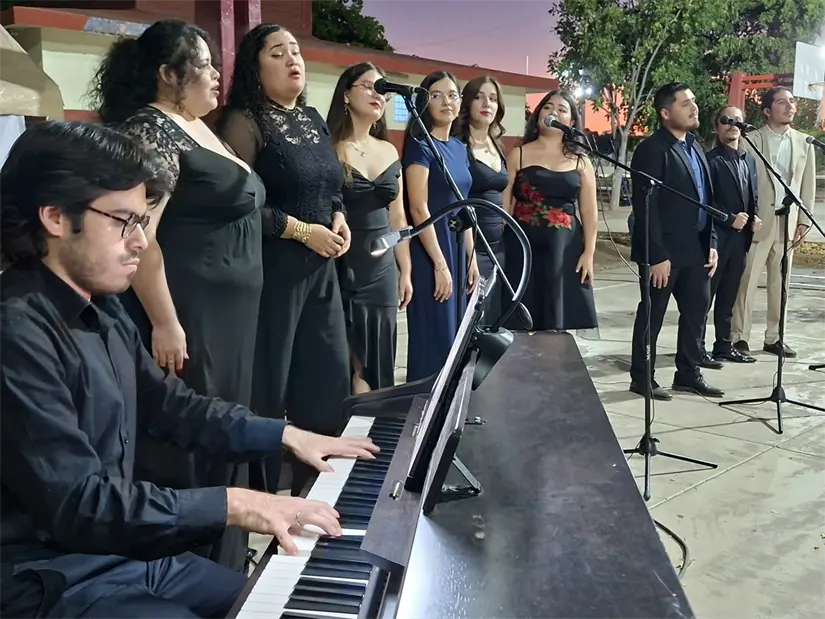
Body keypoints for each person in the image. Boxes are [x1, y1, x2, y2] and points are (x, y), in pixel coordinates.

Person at [0, 120, 378, 619]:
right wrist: (237, 504)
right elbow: (80, 504)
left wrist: (285, 435)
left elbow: (171, 407)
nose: (140, 242)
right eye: (122, 221)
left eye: (141, 221)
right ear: (54, 216)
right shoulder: (16, 330)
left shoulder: (101, 306)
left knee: (274, 608)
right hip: (45, 579)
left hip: (120, 557)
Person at [89, 19, 267, 573]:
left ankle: (230, 563)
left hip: (230, 314)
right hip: (189, 310)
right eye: (204, 64)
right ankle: (194, 569)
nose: (217, 74)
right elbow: (142, 236)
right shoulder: (154, 130)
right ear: (169, 74)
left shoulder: (197, 125)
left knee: (227, 430)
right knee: (195, 440)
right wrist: (165, 322)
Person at [217, 24, 351, 496]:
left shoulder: (313, 117)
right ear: (255, 68)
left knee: (328, 378)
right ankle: (262, 494)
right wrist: (301, 231)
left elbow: (328, 185)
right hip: (273, 272)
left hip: (322, 270)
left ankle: (320, 487)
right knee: (269, 385)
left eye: (296, 50)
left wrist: (337, 217)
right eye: (278, 52)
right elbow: (239, 207)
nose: (293, 58)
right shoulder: (244, 121)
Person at [627, 83, 723, 401]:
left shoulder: (695, 145)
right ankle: (642, 377)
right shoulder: (652, 150)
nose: (694, 107)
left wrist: (711, 241)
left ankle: (688, 373)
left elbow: (706, 199)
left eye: (693, 100)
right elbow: (645, 207)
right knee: (652, 315)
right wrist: (656, 254)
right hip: (665, 252)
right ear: (666, 113)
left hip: (696, 248)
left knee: (697, 311)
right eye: (685, 103)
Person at [326, 62, 412, 393]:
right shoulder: (329, 147)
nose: (378, 94)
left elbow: (399, 218)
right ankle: (348, 434)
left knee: (379, 360)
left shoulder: (390, 150)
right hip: (343, 263)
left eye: (383, 89)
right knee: (350, 361)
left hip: (382, 268)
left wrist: (404, 270)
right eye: (368, 86)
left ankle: (375, 433)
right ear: (346, 94)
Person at [403, 70, 478, 383]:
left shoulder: (460, 148)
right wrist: (440, 264)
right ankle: (423, 414)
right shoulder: (420, 145)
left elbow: (466, 205)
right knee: (435, 337)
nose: (446, 101)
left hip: (458, 249)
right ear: (423, 102)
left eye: (452, 94)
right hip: (433, 250)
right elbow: (419, 207)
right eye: (436, 95)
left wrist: (471, 258)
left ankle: (449, 414)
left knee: (457, 339)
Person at [501, 90, 598, 332]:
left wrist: (589, 252)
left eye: (562, 109)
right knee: (520, 320)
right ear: (537, 115)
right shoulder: (518, 154)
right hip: (522, 247)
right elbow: (504, 206)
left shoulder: (581, 161)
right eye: (547, 107)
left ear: (571, 123)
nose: (553, 112)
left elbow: (588, 210)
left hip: (564, 249)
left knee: (556, 322)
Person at [731, 86, 816, 359]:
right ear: (767, 110)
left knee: (782, 284)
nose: (790, 106)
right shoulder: (751, 140)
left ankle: (774, 337)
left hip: (788, 223)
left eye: (792, 101)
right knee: (747, 281)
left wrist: (804, 221)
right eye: (782, 102)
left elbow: (807, 186)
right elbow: (741, 183)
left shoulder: (805, 142)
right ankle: (739, 336)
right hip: (757, 223)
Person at [700, 105, 761, 366]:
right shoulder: (710, 160)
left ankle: (723, 345)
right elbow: (704, 202)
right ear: (717, 127)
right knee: (705, 299)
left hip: (740, 242)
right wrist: (729, 219)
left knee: (728, 298)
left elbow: (750, 197)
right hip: (716, 239)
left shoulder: (748, 159)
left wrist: (753, 217)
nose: (732, 124)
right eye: (726, 120)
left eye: (737, 121)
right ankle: (697, 348)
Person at [452, 75, 508, 322]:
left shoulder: (497, 145)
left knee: (493, 323)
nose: (487, 103)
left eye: (493, 99)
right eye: (479, 97)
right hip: (472, 245)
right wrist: (470, 254)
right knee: (472, 322)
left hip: (499, 247)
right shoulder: (458, 145)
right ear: (467, 103)